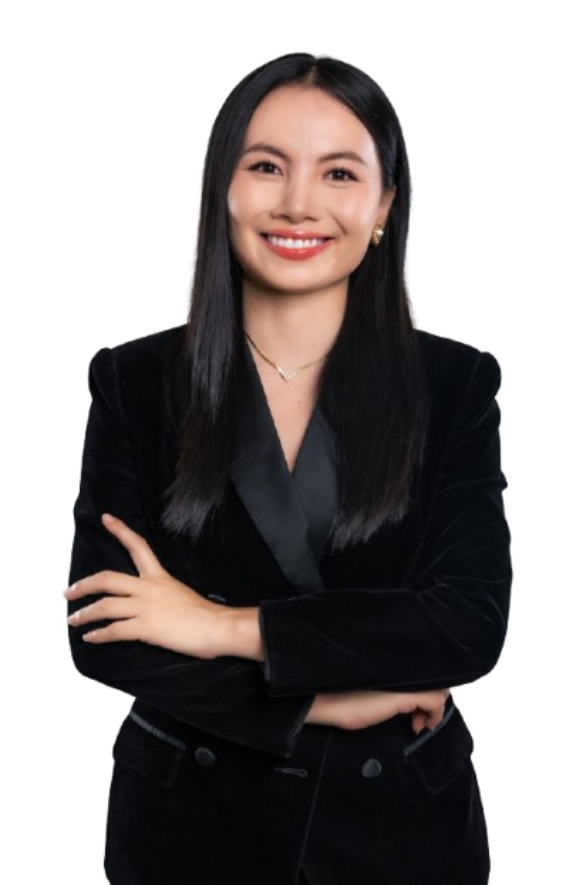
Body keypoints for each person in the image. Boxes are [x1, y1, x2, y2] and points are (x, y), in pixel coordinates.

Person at [64, 51, 512, 885]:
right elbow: (106, 634)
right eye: (267, 166)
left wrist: (223, 626)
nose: (298, 202)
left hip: (400, 825)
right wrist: (327, 700)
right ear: (221, 191)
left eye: (339, 172)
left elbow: (467, 622)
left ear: (383, 205)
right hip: (189, 830)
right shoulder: (133, 380)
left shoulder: (456, 383)